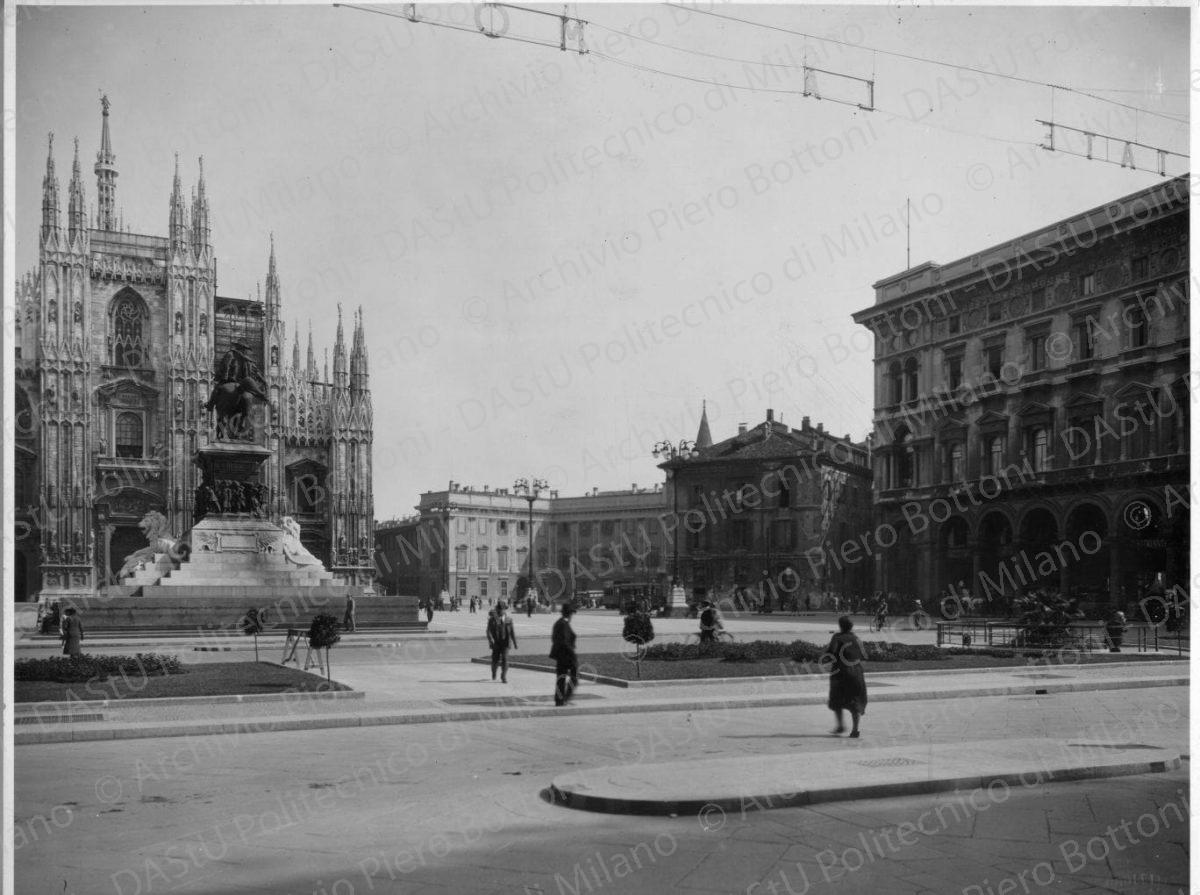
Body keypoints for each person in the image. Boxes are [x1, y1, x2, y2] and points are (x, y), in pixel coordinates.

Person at [824, 615, 867, 738]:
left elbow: (831, 652)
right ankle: (855, 730)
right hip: (857, 672)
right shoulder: (856, 638)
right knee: (855, 700)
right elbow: (863, 654)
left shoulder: (837, 637)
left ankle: (840, 726)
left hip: (841, 672)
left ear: (840, 626)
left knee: (837, 698)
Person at [550, 603, 578, 706]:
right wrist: (572, 655)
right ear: (569, 614)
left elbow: (554, 639)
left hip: (561, 655)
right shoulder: (563, 624)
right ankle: (564, 698)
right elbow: (565, 642)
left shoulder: (560, 623)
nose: (572, 616)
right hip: (566, 656)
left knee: (561, 678)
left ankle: (560, 700)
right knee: (574, 677)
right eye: (571, 614)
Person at [487, 600, 518, 682]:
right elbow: (488, 631)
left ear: (504, 610)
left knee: (505, 658)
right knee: (495, 660)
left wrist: (515, 643)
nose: (500, 611)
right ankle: (494, 672)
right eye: (499, 609)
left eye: (502, 609)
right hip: (496, 643)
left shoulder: (509, 620)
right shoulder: (492, 620)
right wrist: (491, 640)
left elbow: (512, 632)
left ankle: (503, 676)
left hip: (506, 643)